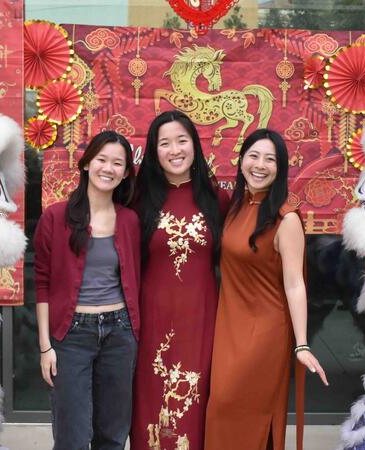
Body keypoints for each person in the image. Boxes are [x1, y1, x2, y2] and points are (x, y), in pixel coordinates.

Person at [204, 129, 328, 450]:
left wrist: (301, 344)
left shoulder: (285, 219)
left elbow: (295, 284)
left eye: (270, 159)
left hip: (263, 334)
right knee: (220, 410)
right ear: (242, 160)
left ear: (280, 168)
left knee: (242, 410)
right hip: (229, 328)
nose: (260, 165)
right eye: (254, 156)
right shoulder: (235, 208)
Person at [34, 131, 141, 450]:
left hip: (120, 334)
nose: (108, 168)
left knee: (112, 433)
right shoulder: (55, 216)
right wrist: (44, 346)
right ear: (86, 164)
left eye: (117, 163)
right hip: (71, 337)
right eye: (102, 160)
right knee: (73, 436)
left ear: (125, 173)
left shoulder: (130, 221)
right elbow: (42, 282)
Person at [130, 111, 228, 450]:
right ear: (154, 151)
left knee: (194, 403)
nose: (175, 150)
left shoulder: (218, 200)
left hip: (201, 321)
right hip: (150, 322)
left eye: (182, 140)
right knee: (150, 404)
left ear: (195, 146)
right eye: (165, 143)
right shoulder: (137, 201)